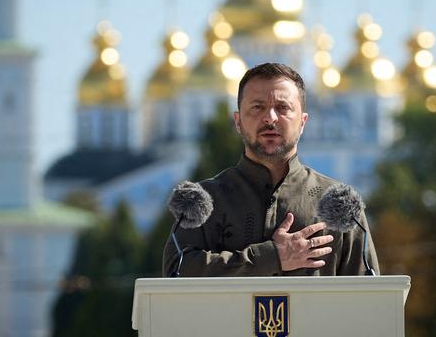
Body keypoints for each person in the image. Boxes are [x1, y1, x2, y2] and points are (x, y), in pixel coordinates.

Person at [162, 62, 379, 276]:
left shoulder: (339, 206)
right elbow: (176, 274)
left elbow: (369, 297)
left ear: (303, 122)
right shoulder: (202, 204)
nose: (270, 118)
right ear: (238, 121)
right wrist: (271, 257)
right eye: (257, 107)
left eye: (283, 108)